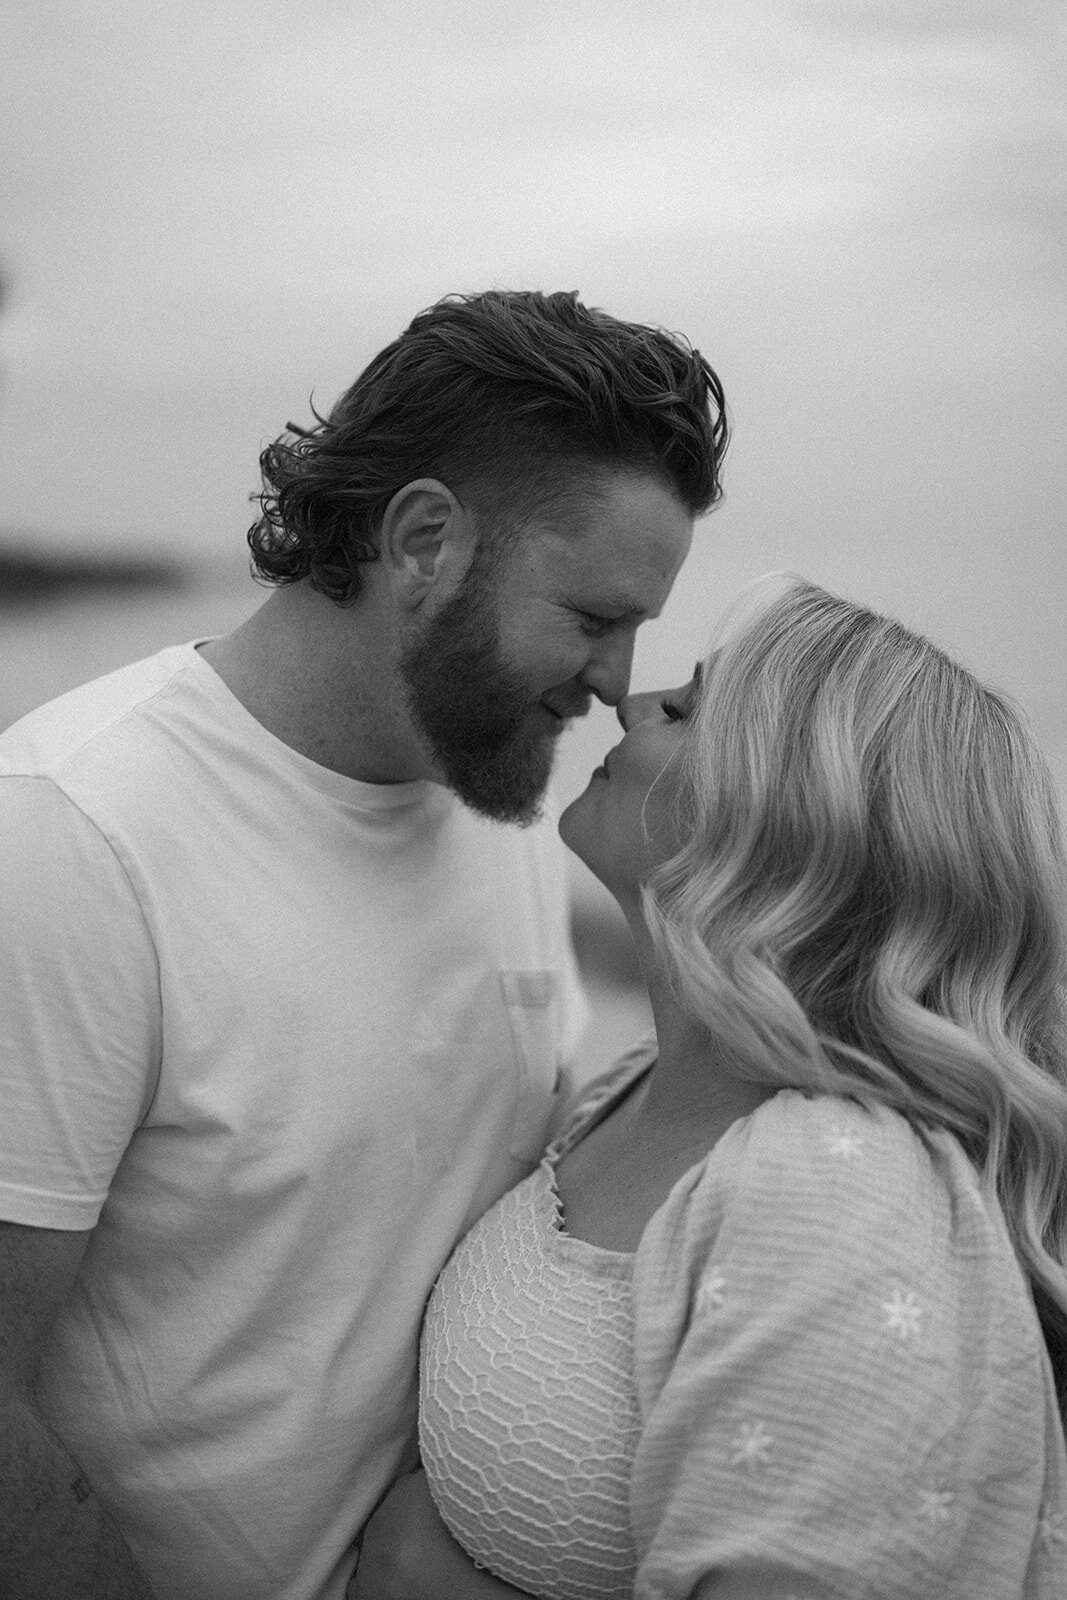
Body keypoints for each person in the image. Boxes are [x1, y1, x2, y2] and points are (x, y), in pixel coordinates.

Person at [0, 289, 729, 1600]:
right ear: (423, 543)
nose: (619, 683)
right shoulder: (70, 834)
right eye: (590, 618)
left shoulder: (499, 792)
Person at [354, 573, 1067, 1600]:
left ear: (789, 826)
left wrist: (420, 1573)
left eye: (684, 710)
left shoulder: (831, 1184)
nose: (627, 703)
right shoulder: (639, 1082)